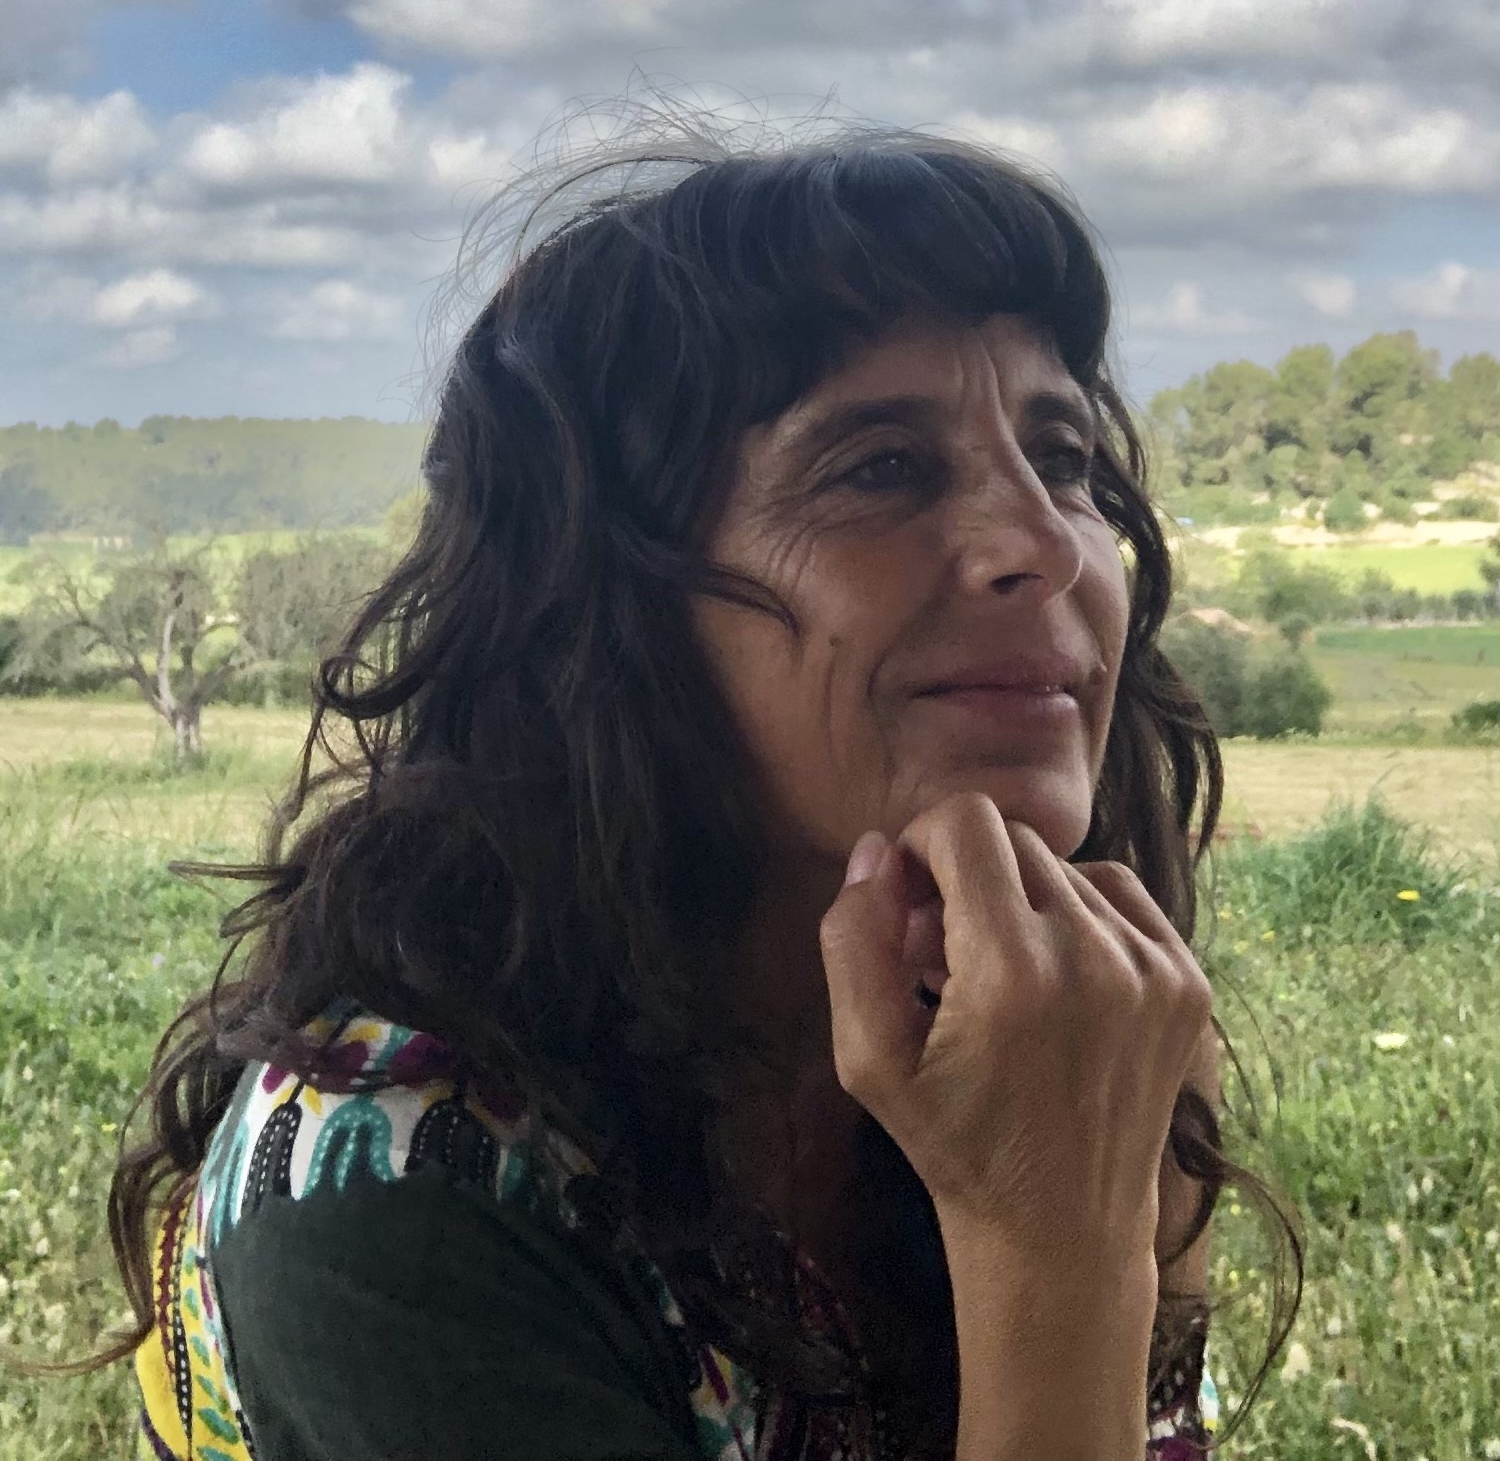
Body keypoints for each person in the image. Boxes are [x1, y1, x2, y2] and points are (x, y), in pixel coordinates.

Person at [110, 123, 1299, 1461]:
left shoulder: (1063, 1032)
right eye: (881, 468)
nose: (1042, 543)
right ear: (604, 607)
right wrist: (1058, 1243)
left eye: (1064, 459)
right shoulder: (394, 1181)